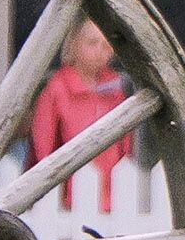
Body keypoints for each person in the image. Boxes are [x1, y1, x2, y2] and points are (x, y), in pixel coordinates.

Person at [25, 16, 137, 212]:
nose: (100, 52)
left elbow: (124, 145)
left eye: (106, 45)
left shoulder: (114, 88)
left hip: (111, 201)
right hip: (65, 202)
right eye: (92, 43)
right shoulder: (58, 89)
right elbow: (43, 146)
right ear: (73, 45)